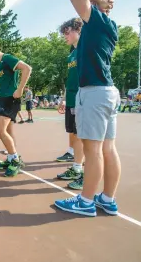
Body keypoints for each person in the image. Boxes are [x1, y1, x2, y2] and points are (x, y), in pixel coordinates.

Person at [55, 0, 120, 217]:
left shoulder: (96, 19)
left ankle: (85, 202)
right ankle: (108, 199)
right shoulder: (109, 25)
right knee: (108, 149)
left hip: (94, 92)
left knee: (93, 151)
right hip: (107, 90)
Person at [0, 43, 32, 177]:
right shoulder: (2, 63)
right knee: (3, 130)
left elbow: (27, 68)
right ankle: (10, 158)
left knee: (0, 130)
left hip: (11, 98)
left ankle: (15, 159)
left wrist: (20, 89)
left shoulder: (8, 58)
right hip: (3, 98)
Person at [56, 18, 85, 190]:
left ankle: (79, 170)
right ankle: (76, 167)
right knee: (74, 133)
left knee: (83, 136)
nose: (64, 37)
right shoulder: (71, 54)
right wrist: (65, 98)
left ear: (77, 30)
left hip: (84, 98)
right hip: (73, 98)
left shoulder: (85, 48)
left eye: (67, 32)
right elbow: (71, 79)